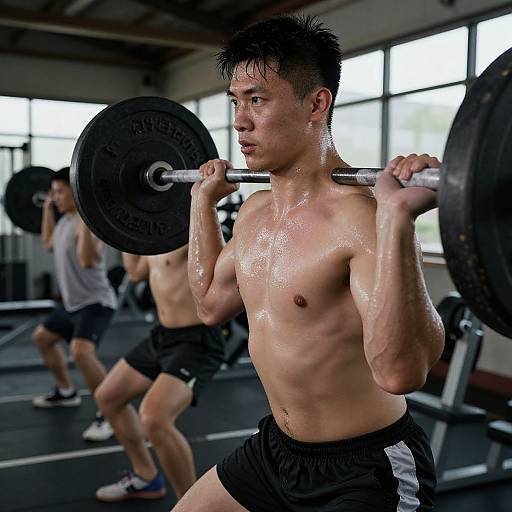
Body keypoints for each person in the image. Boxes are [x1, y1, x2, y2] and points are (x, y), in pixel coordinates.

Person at [174, 15, 445, 512]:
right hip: (276, 451)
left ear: (317, 103)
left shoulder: (360, 220)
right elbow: (211, 305)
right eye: (236, 101)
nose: (239, 120)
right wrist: (201, 204)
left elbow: (401, 372)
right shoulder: (254, 213)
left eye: (257, 99)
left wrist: (397, 221)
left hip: (366, 470)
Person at [93, 248, 225, 502]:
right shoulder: (154, 238)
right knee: (108, 397)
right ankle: (146, 477)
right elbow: (135, 272)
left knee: (154, 419)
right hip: (163, 336)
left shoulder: (185, 227)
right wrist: (121, 234)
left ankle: (191, 506)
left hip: (196, 341)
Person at [32, 166, 117, 442]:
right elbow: (47, 244)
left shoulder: (85, 222)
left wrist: (86, 217)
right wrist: (47, 211)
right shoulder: (64, 221)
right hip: (72, 304)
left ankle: (109, 412)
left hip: (96, 302)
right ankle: (66, 392)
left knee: (81, 352)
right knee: (43, 338)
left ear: (75, 192)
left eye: (59, 192)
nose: (55, 197)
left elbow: (87, 260)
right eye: (53, 193)